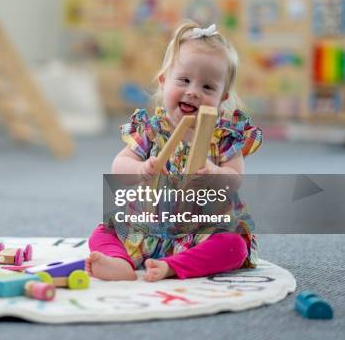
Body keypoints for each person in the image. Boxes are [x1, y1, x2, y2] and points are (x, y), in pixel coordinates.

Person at [85, 21, 262, 281]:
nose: (193, 92)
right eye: (184, 80)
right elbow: (119, 168)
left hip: (201, 230)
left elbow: (235, 179)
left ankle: (173, 265)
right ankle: (119, 263)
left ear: (223, 97)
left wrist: (215, 173)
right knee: (102, 233)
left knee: (234, 246)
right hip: (146, 227)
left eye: (208, 87)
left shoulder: (222, 135)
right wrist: (140, 169)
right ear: (164, 81)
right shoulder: (151, 129)